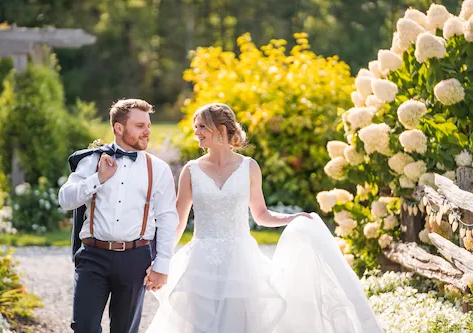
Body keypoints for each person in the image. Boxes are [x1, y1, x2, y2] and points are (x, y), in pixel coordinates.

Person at [145, 103, 383, 333]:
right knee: (199, 323)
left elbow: (261, 214)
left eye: (201, 127)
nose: (196, 133)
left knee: (242, 323)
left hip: (241, 261)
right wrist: (160, 260)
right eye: (196, 127)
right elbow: (179, 221)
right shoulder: (191, 170)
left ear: (220, 130)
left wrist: (292, 218)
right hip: (200, 261)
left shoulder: (249, 167)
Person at [58, 98, 178, 333]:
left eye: (148, 126)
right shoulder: (92, 161)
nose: (147, 132)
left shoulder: (159, 169)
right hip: (93, 256)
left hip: (136, 259)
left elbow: (166, 218)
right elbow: (65, 199)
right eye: (140, 126)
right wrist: (98, 179)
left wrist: (162, 265)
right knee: (83, 326)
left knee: (124, 329)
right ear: (119, 128)